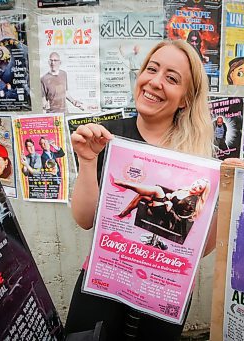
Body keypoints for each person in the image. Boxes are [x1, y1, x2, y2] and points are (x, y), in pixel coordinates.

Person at [68, 39, 221, 340]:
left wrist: (228, 195)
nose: (155, 82)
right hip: (103, 283)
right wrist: (87, 161)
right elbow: (85, 219)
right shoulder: (108, 137)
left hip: (162, 294)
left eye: (172, 78)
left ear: (185, 100)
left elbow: (199, 248)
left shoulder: (198, 160)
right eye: (152, 69)